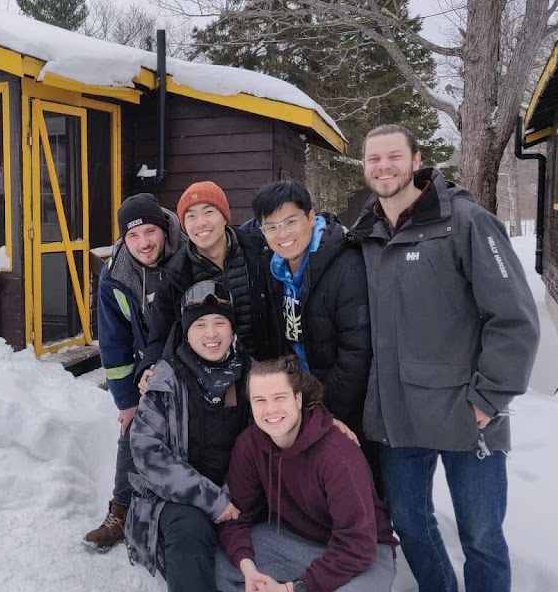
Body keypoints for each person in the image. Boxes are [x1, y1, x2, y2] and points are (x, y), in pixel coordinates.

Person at [348, 124, 540, 592]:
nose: (383, 166)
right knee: (410, 522)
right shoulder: (365, 233)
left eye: (393, 156)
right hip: (398, 416)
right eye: (373, 158)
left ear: (416, 160)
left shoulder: (465, 222)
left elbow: (515, 320)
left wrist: (487, 399)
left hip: (466, 414)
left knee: (482, 541)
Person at [216, 356, 397, 592]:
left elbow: (357, 545)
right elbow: (237, 516)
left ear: (298, 399)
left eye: (279, 397)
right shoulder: (250, 444)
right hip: (298, 543)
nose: (270, 410)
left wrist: (292, 589)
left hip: (364, 552)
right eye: (260, 400)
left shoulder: (337, 453)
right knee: (222, 562)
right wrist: (251, 573)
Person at [124, 281, 250, 592]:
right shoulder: (165, 379)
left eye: (219, 323)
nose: (211, 333)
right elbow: (147, 451)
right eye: (200, 325)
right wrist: (213, 499)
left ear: (232, 328)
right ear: (185, 330)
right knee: (191, 531)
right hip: (177, 497)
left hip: (239, 492)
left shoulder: (251, 373)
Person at [249, 180, 377, 485]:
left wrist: (323, 412)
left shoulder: (344, 265)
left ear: (310, 216)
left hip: (347, 410)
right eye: (271, 227)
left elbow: (357, 353)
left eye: (291, 221)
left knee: (353, 490)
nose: (283, 234)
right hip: (303, 402)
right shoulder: (275, 268)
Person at [85, 193, 182, 551]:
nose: (144, 243)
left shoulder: (187, 255)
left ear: (164, 229)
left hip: (196, 360)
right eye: (133, 235)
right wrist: (126, 401)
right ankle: (120, 513)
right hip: (149, 368)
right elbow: (114, 344)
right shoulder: (115, 276)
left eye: (150, 231)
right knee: (132, 432)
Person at [138, 181, 284, 390]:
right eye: (191, 216)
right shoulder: (175, 275)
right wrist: (149, 365)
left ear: (225, 216)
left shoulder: (260, 251)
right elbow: (161, 336)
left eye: (208, 212)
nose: (201, 223)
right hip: (211, 386)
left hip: (269, 373)